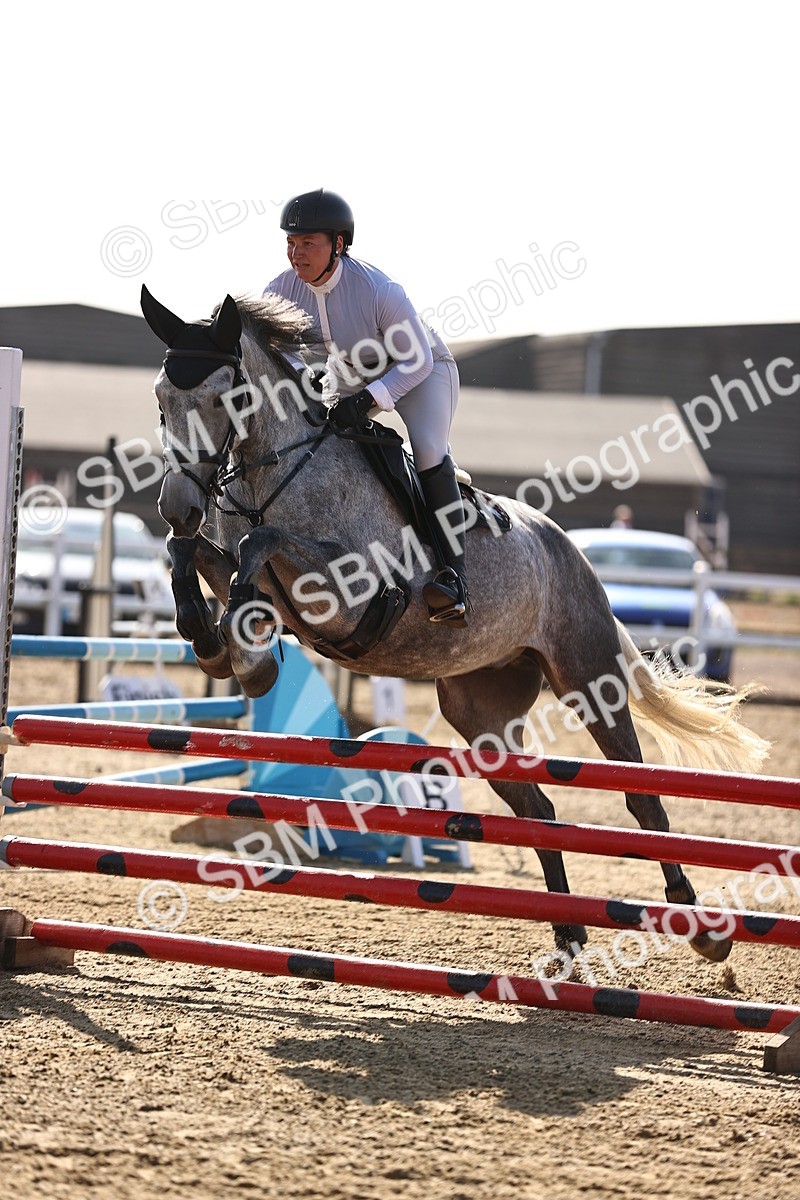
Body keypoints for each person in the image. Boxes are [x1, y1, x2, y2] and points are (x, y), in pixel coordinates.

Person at [263, 188, 468, 623]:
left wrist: (369, 400)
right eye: (291, 243)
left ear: (338, 244)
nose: (296, 254)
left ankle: (454, 577)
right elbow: (281, 352)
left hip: (421, 370)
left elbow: (417, 360)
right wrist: (306, 378)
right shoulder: (279, 291)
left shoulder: (378, 289)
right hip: (350, 372)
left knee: (428, 450)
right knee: (320, 442)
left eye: (308, 244)